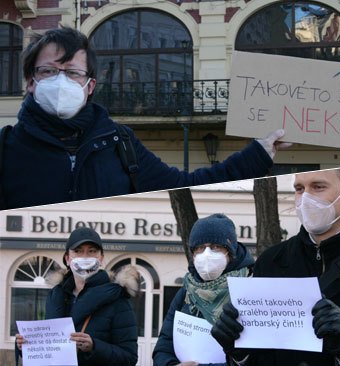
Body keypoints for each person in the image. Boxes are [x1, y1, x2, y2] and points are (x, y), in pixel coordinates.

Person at [1, 27, 290, 210]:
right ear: (30, 81)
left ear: (90, 86)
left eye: (73, 72)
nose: (61, 81)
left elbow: (186, 183)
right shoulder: (6, 148)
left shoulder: (120, 143)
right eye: (49, 71)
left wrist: (258, 153)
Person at [210, 167, 340, 365]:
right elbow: (260, 357)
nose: (305, 198)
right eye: (299, 189)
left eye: (318, 187)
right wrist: (239, 353)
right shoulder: (271, 261)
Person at [15, 227, 139, 365]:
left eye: (91, 251)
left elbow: (129, 358)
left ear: (101, 258)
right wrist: (25, 345)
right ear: (67, 258)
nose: (85, 257)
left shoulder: (117, 300)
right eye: (78, 251)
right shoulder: (56, 297)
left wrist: (94, 347)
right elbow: (49, 348)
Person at [153, 213, 254, 366]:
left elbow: (256, 358)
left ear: (230, 252)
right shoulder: (186, 291)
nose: (206, 254)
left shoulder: (250, 288)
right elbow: (163, 346)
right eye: (200, 248)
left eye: (215, 247)